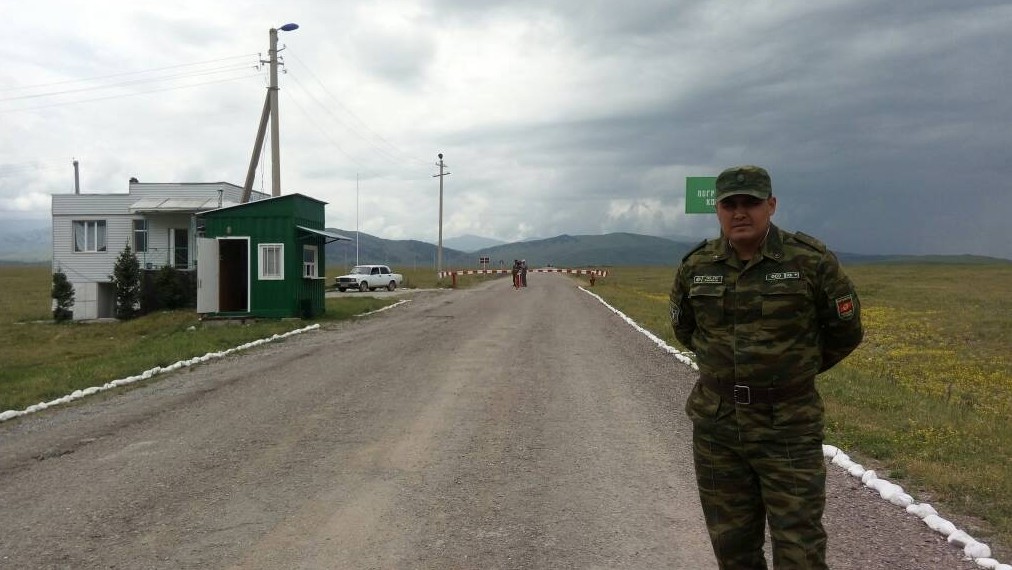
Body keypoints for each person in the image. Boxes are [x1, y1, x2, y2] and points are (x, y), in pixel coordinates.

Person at [669, 165, 863, 569]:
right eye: (730, 204)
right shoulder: (696, 266)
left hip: (787, 426)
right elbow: (686, 330)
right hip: (718, 428)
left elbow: (845, 332)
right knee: (732, 549)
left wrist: (789, 374)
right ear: (718, 209)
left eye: (751, 203)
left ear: (771, 205)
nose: (740, 213)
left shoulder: (810, 262)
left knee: (800, 550)